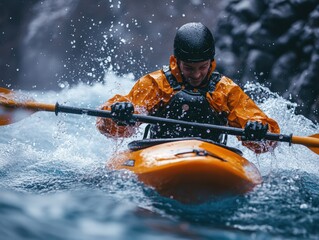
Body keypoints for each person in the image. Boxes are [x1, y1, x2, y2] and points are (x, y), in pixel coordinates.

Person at [96, 22, 280, 153]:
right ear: (176, 61)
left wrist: (258, 129)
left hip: (211, 154)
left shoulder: (225, 90)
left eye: (203, 67)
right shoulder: (156, 84)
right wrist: (120, 113)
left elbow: (257, 125)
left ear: (211, 62)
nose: (197, 74)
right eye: (189, 68)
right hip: (157, 151)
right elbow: (113, 125)